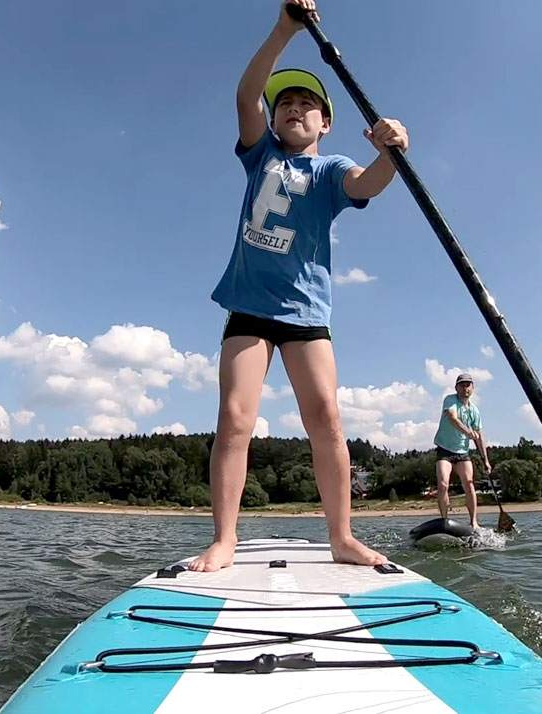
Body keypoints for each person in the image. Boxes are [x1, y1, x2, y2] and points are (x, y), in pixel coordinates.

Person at [189, 0, 409, 572]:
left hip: (307, 313)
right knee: (235, 418)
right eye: (285, 102)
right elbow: (246, 95)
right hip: (248, 309)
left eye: (307, 104)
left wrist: (391, 148)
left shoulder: (332, 170)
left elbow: (371, 182)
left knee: (327, 419)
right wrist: (284, 29)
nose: (293, 108)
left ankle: (341, 537)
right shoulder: (259, 153)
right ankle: (225, 539)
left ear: (325, 123)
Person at [432, 373, 491, 531]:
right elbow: (452, 418)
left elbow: (480, 437)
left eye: (468, 385)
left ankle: (474, 522)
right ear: (456, 387)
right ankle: (444, 520)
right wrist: (467, 432)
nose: (465, 388)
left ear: (472, 388)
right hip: (445, 450)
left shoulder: (475, 411)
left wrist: (485, 460)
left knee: (469, 484)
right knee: (443, 483)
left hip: (462, 453)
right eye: (462, 385)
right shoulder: (450, 400)